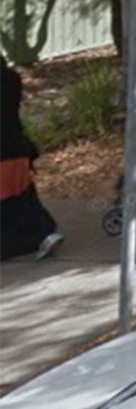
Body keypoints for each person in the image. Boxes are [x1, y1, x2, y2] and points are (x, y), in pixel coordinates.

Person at [1, 57, 63, 261]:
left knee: (13, 200)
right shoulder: (11, 79)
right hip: (18, 149)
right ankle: (43, 232)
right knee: (22, 195)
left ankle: (44, 233)